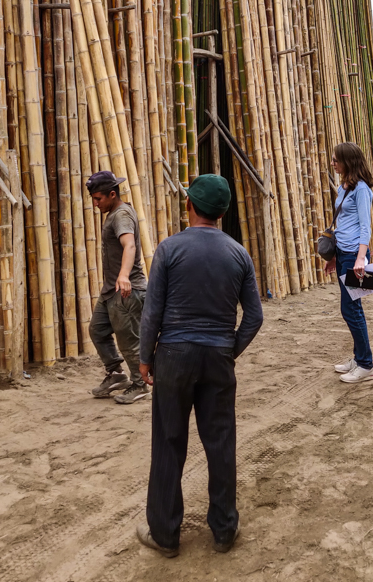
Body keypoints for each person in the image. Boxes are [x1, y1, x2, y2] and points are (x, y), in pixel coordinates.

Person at [136, 174, 263, 558]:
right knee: (220, 442)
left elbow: (151, 313)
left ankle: (165, 534)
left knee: (169, 443)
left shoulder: (170, 249)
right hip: (218, 358)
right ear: (223, 212)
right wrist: (229, 349)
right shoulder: (239, 254)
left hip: (173, 357)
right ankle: (224, 530)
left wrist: (145, 359)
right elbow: (254, 317)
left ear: (189, 204)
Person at [86, 170, 150, 405]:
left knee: (128, 342)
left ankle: (140, 385)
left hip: (127, 290)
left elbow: (129, 245)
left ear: (112, 194)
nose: (95, 204)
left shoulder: (121, 215)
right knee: (97, 330)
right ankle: (116, 374)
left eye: (98, 199)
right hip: (111, 291)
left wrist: (124, 275)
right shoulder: (115, 212)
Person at [326, 142, 373, 384]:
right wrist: (334, 255)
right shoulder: (344, 186)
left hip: (355, 257)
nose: (332, 163)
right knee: (351, 309)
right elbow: (344, 224)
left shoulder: (362, 189)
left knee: (351, 309)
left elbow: (365, 227)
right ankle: (359, 358)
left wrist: (361, 259)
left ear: (349, 161)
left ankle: (366, 365)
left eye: (336, 160)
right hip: (343, 253)